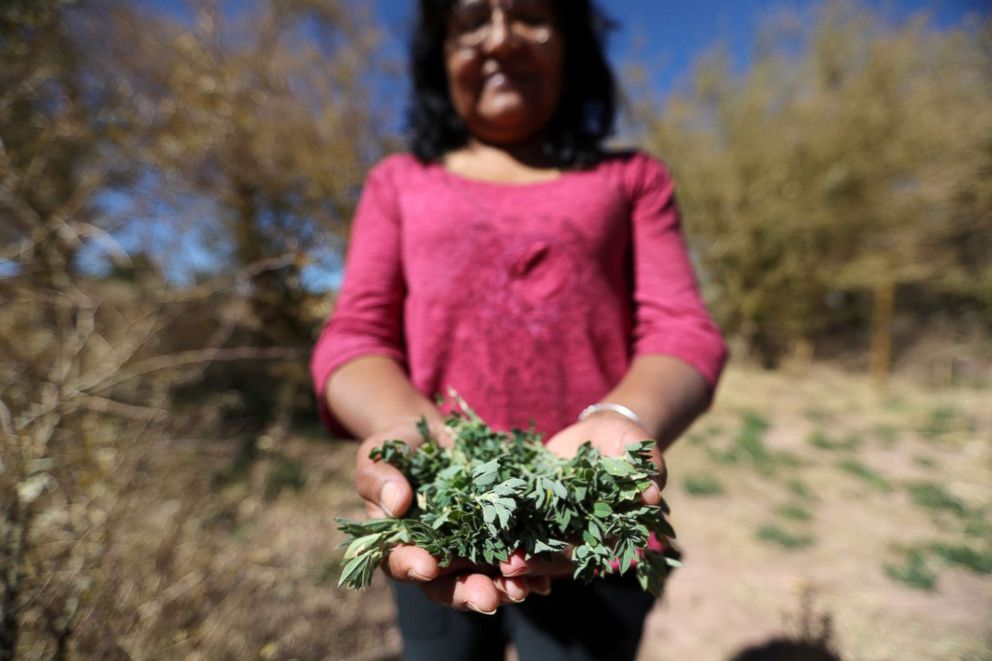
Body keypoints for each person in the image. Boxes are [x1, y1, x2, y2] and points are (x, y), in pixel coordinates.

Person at [310, 0, 727, 658]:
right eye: (472, 19)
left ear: (570, 45)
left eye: (531, 13)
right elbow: (354, 337)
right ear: (441, 53)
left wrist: (622, 416)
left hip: (591, 528)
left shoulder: (629, 180)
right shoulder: (399, 182)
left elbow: (682, 331)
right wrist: (407, 429)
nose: (499, 38)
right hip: (440, 521)